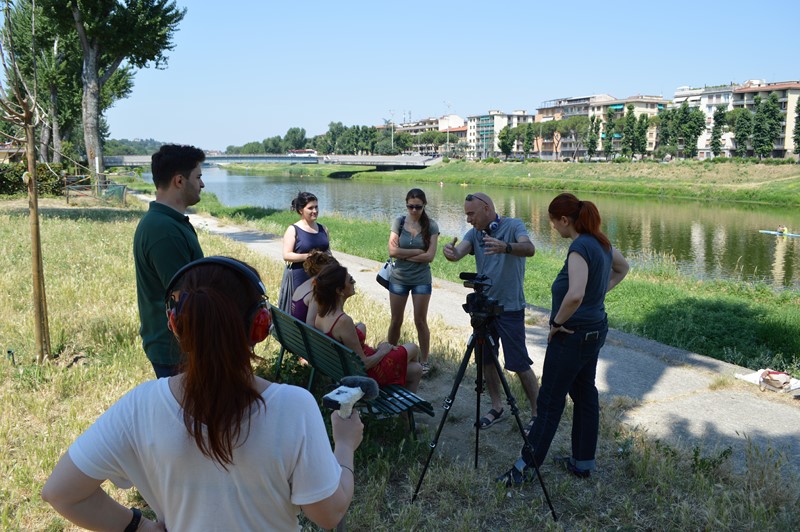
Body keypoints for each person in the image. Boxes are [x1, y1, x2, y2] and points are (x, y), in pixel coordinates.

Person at [42, 257, 363, 530]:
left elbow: (62, 492)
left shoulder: (140, 406)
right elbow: (328, 513)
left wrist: (141, 527)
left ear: (175, 325)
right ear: (260, 326)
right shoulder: (294, 407)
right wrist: (346, 444)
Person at [497, 193, 629, 486]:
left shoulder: (580, 247)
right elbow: (623, 268)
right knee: (584, 395)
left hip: (572, 334)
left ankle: (524, 469)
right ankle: (582, 463)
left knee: (549, 402)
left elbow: (575, 294)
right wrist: (598, 296)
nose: (553, 228)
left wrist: (556, 322)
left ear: (565, 220)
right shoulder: (601, 242)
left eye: (554, 222)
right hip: (595, 329)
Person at [442, 193, 539, 431]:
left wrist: (506, 247)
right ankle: (497, 407)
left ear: (486, 209)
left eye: (471, 214)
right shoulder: (475, 233)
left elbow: (529, 248)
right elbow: (460, 251)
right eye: (466, 214)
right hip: (484, 309)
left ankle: (539, 414)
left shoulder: (514, 226)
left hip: (510, 307)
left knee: (518, 362)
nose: (468, 219)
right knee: (485, 359)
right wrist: (452, 254)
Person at [133, 144, 206, 378]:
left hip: (178, 349)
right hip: (177, 352)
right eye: (198, 177)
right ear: (179, 181)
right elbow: (184, 299)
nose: (202, 184)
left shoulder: (166, 223)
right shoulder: (164, 230)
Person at [314, 263, 423, 393]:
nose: (354, 282)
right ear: (339, 291)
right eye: (350, 280)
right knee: (413, 348)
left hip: (345, 369)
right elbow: (363, 365)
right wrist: (383, 350)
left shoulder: (321, 314)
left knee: (416, 369)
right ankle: (404, 401)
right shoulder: (343, 321)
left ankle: (406, 410)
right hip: (366, 375)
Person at [387, 188, 440, 375]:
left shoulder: (431, 226)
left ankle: (424, 361)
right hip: (399, 278)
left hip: (421, 279)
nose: (414, 210)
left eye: (418, 207)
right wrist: (417, 252)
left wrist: (405, 255)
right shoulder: (399, 222)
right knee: (396, 320)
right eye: (410, 206)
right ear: (406, 204)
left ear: (424, 205)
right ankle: (389, 357)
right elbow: (392, 252)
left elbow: (430, 256)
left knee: (420, 321)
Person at [282, 191, 331, 289]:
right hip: (301, 278)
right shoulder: (293, 229)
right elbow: (286, 255)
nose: (315, 211)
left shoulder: (324, 229)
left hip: (322, 277)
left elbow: (328, 251)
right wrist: (310, 256)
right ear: (301, 210)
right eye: (310, 208)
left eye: (316, 207)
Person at [291, 250, 338, 325]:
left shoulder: (303, 285)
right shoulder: (315, 293)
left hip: (295, 332)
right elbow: (311, 326)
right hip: (303, 335)